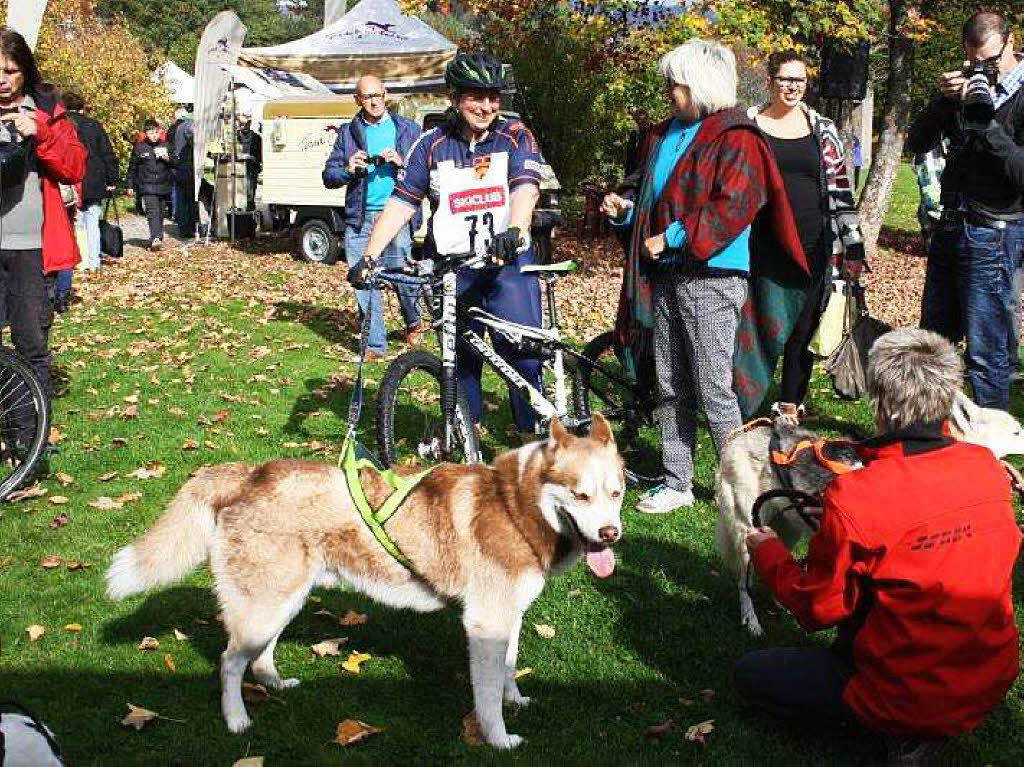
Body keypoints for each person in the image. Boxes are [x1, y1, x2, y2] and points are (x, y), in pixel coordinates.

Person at [736, 327, 1021, 764]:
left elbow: (817, 608)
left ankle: (898, 734)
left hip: (902, 693)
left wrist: (769, 551)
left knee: (750, 675)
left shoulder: (858, 496)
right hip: (989, 676)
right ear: (949, 398)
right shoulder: (987, 467)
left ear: (881, 404)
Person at [600, 39, 807, 513]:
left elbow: (736, 203)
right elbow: (652, 194)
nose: (669, 92)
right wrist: (626, 208)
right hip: (669, 274)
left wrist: (672, 237)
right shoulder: (663, 134)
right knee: (672, 380)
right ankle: (678, 480)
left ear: (700, 86)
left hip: (712, 275)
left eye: (675, 84)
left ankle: (744, 483)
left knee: (713, 383)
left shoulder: (737, 137)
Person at [356, 52, 544, 440]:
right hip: (453, 267)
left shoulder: (515, 135)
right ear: (456, 98)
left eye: (493, 97)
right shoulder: (431, 144)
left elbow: (525, 187)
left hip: (507, 264)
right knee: (459, 358)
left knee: (521, 354)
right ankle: (466, 431)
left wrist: (516, 229)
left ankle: (531, 435)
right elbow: (402, 203)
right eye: (477, 97)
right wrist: (368, 256)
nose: (487, 106)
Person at [907, 10, 1024, 410]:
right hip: (950, 226)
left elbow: (1019, 174)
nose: (983, 69)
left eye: (991, 61)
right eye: (976, 60)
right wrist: (943, 102)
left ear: (1012, 42)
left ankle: (992, 459)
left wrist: (986, 123)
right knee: (932, 346)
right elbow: (918, 141)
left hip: (994, 231)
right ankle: (930, 440)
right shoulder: (962, 88)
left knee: (985, 353)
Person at [748, 50, 865, 424]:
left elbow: (840, 188)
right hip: (762, 245)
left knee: (804, 325)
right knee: (758, 325)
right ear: (770, 81)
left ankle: (789, 405)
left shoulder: (822, 127)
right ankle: (743, 402)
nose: (793, 86)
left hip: (816, 244)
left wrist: (853, 244)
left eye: (799, 80)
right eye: (785, 79)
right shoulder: (749, 127)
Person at [0, 28, 87, 446]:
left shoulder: (48, 111)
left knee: (30, 343)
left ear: (25, 71)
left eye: (11, 71)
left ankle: (28, 443)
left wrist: (40, 132)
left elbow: (75, 168)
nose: (3, 79)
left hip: (31, 248)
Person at [323, 75, 425, 361]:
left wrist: (401, 163)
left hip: (396, 214)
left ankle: (413, 321)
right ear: (358, 100)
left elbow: (427, 172)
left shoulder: (407, 129)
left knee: (402, 274)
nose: (375, 101)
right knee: (363, 279)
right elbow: (329, 176)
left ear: (386, 94)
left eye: (378, 95)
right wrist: (348, 168)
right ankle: (375, 345)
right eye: (367, 97)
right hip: (359, 216)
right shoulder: (347, 133)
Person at [62, 90, 118, 274]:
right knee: (92, 221)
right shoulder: (94, 125)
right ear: (82, 107)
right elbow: (107, 153)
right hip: (94, 179)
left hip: (70, 179)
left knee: (73, 222)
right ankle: (94, 262)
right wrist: (112, 179)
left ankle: (78, 260)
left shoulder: (62, 125)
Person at [127, 119, 173, 250]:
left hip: (163, 184)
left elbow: (175, 162)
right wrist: (130, 185)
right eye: (150, 133)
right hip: (147, 185)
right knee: (152, 211)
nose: (154, 135)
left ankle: (158, 235)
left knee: (160, 212)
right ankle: (155, 237)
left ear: (160, 132)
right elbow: (132, 168)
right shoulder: (140, 147)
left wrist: (167, 158)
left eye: (156, 132)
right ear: (146, 134)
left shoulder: (166, 145)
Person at [170, 105, 198, 239]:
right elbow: (194, 141)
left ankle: (185, 227)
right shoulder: (189, 126)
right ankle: (188, 228)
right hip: (186, 167)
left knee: (182, 198)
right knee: (188, 199)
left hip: (179, 166)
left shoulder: (177, 127)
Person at [235, 108, 261, 212]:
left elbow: (259, 154)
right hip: (238, 169)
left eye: (245, 124)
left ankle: (250, 210)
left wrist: (253, 159)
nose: (243, 126)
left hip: (251, 168)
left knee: (250, 192)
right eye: (241, 124)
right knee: (239, 192)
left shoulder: (256, 137)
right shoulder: (235, 136)